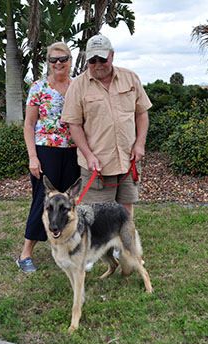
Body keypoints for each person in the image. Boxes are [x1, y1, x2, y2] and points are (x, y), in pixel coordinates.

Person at [61, 34, 152, 220]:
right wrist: (88, 155)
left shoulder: (131, 78)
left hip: (128, 159)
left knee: (126, 209)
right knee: (98, 214)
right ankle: (101, 248)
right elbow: (74, 125)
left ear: (112, 55)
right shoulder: (77, 86)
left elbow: (142, 113)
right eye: (92, 60)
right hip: (98, 163)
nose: (98, 64)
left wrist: (140, 144)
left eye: (102, 59)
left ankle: (121, 247)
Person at [16, 42, 80, 273]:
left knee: (69, 204)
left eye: (62, 59)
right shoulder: (39, 87)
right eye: (53, 60)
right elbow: (29, 124)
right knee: (44, 202)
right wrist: (33, 157)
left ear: (70, 60)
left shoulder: (78, 86)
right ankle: (25, 254)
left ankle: (67, 249)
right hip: (46, 151)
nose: (58, 64)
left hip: (74, 151)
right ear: (48, 63)